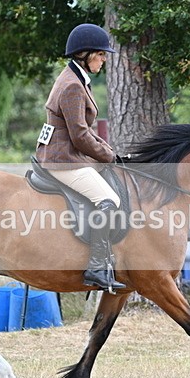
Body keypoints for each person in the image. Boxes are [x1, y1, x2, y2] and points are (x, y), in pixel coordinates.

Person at [35, 23, 124, 292]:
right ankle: (96, 266)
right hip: (63, 159)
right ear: (85, 54)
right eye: (101, 54)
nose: (104, 59)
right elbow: (80, 137)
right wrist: (109, 157)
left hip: (64, 153)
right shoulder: (73, 86)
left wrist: (111, 153)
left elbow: (85, 131)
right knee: (109, 199)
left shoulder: (75, 79)